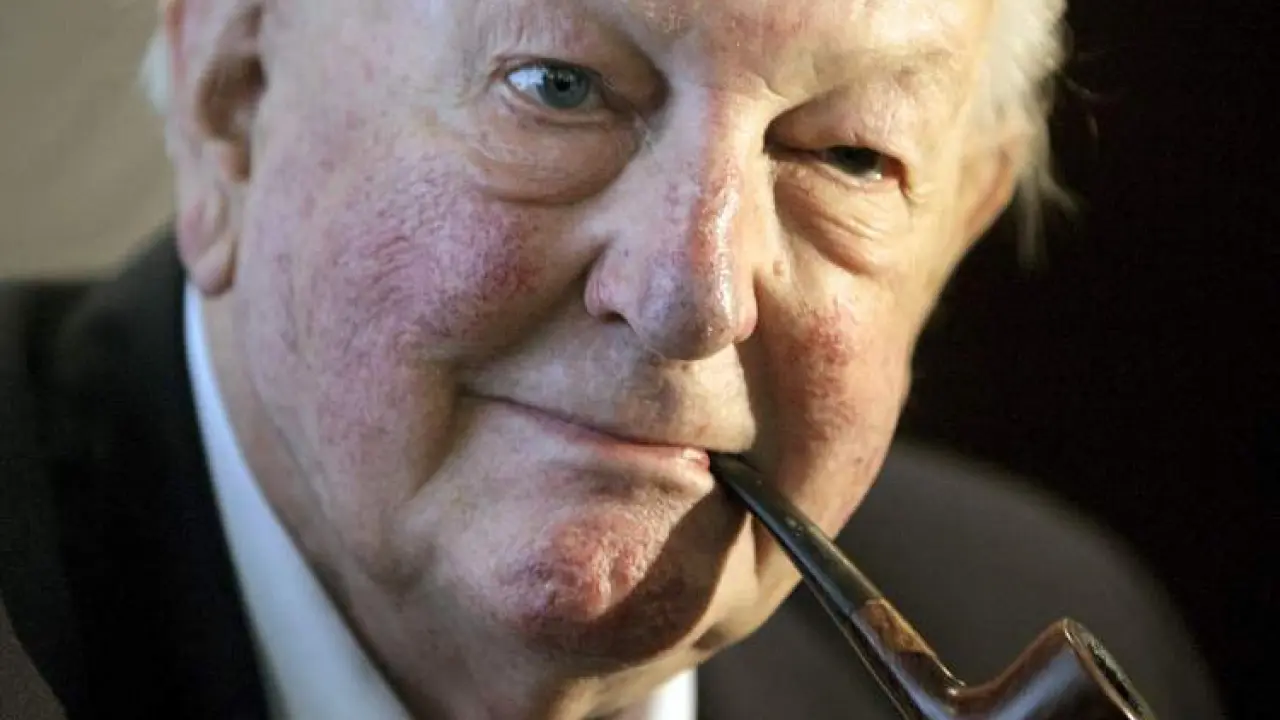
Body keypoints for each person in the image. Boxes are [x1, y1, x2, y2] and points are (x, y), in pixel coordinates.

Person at [0, 0, 1225, 718]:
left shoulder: (1039, 605)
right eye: (558, 86)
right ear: (231, 101)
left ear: (954, 229)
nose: (694, 296)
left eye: (849, 156)